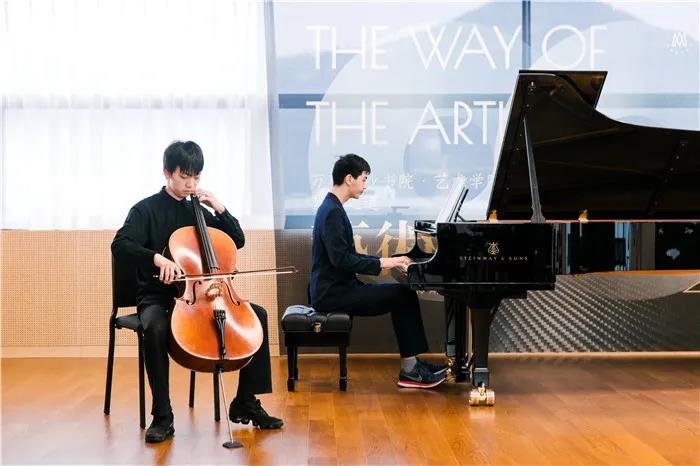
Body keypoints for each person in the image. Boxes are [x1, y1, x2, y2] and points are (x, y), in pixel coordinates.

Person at [111, 140, 283, 443]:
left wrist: (220, 208)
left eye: (196, 177)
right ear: (167, 173)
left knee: (257, 315)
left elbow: (237, 240)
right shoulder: (145, 209)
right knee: (154, 327)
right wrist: (157, 258)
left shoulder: (199, 211)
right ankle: (162, 415)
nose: (191, 184)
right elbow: (120, 244)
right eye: (184, 176)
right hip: (158, 295)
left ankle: (246, 401)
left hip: (202, 296)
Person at [309, 153, 447, 389]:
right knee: (402, 295)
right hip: (333, 294)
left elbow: (345, 256)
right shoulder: (332, 211)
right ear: (349, 179)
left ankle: (412, 365)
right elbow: (342, 260)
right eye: (363, 179)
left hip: (337, 289)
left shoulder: (331, 207)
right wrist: (386, 263)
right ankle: (410, 371)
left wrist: (386, 262)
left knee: (402, 294)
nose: (365, 185)